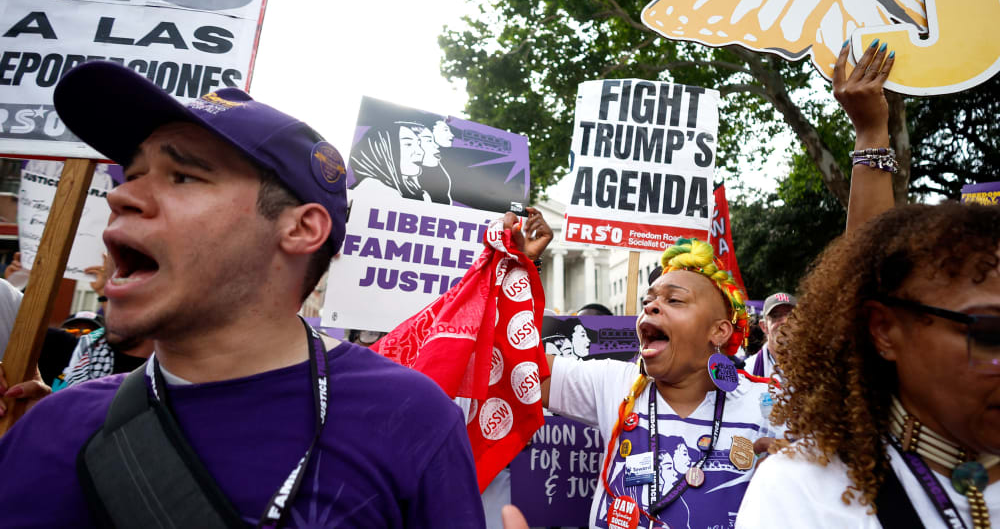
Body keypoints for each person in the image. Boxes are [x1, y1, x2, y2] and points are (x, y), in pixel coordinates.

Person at [0, 61, 486, 528]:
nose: (120, 195)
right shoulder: (49, 431)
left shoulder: (411, 420)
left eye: (184, 176)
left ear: (300, 229)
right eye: (134, 173)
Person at [736, 41, 1000, 527]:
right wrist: (870, 133)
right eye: (989, 331)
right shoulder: (805, 493)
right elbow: (868, 272)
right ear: (883, 330)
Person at [540, 237, 772, 529]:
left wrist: (803, 466)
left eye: (673, 300)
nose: (650, 308)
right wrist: (518, 268)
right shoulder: (617, 383)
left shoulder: (770, 403)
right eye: (648, 301)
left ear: (719, 331)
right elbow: (521, 370)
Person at [350, 121, 432, 201]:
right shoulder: (372, 189)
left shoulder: (420, 194)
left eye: (418, 144)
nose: (421, 152)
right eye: (408, 144)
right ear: (381, 149)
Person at [742, 292, 796, 380]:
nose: (785, 321)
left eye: (791, 315)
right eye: (776, 316)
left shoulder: (816, 365)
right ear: (764, 326)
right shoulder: (747, 371)